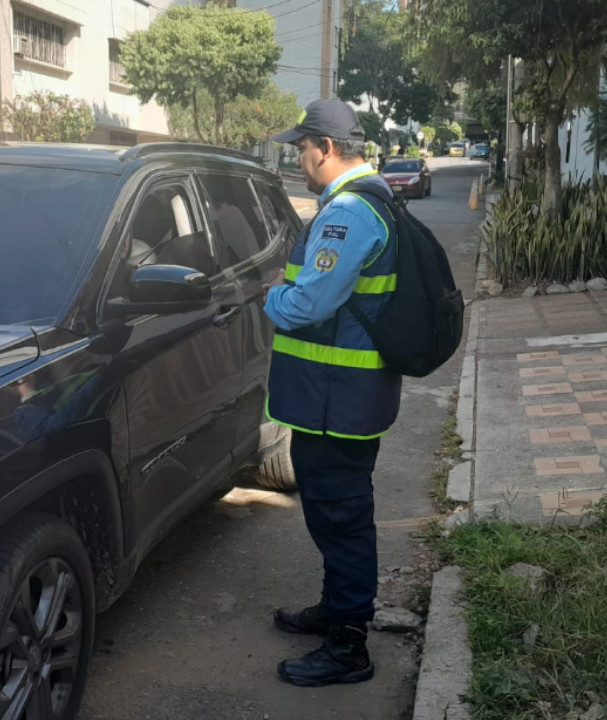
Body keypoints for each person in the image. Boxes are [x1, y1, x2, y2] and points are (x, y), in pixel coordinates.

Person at [262, 99, 401, 688]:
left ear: (325, 146)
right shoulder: (370, 199)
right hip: (340, 397)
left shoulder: (347, 212)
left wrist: (270, 297)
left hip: (336, 400)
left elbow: (306, 305)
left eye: (301, 148)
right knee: (333, 513)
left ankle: (349, 645)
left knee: (342, 518)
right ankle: (334, 609)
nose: (299, 158)